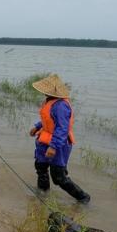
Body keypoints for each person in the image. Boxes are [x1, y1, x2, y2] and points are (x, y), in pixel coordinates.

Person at [29, 74, 90, 203]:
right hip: (44, 141)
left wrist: (53, 146)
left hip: (58, 144)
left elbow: (62, 128)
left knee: (59, 177)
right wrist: (37, 127)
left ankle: (83, 198)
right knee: (40, 166)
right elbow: (48, 120)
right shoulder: (49, 101)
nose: (43, 93)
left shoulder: (61, 106)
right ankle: (42, 193)